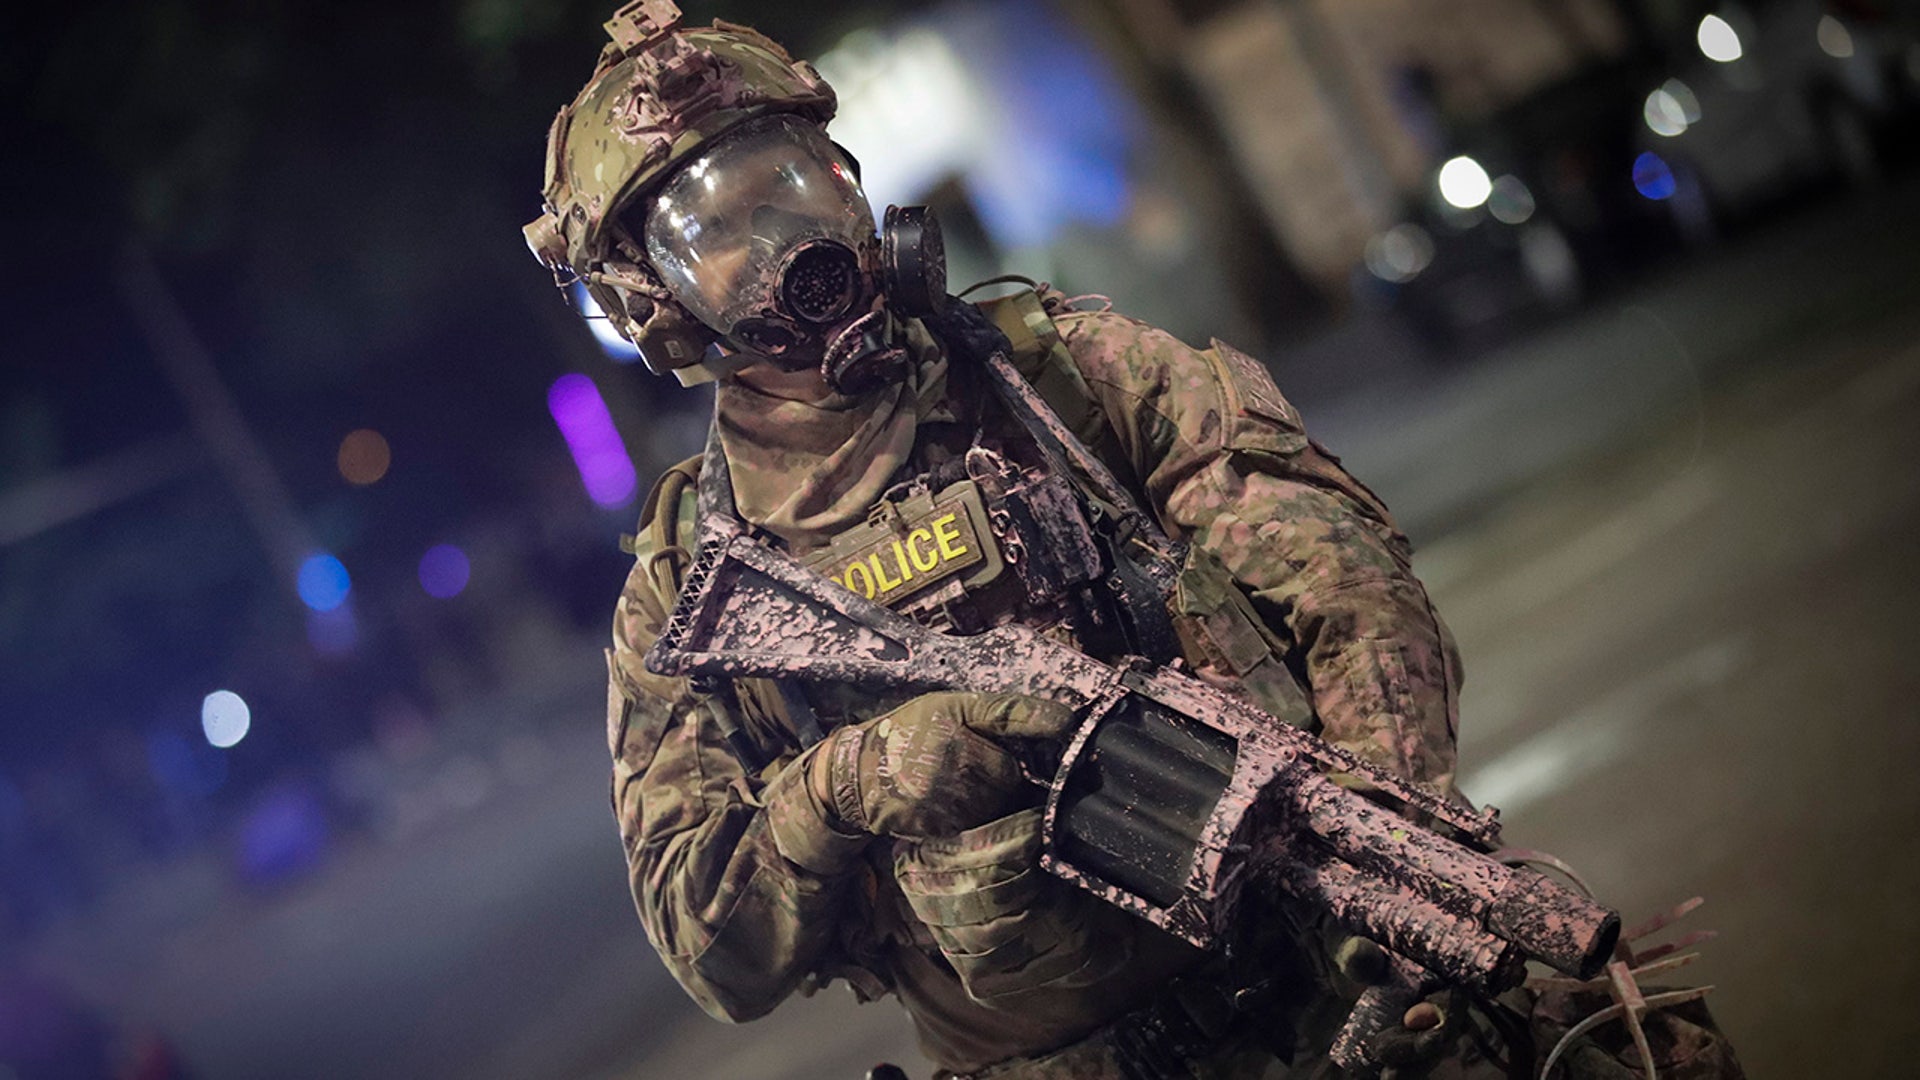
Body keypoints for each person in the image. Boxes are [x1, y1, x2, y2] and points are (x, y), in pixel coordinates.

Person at [524, 5, 1737, 1078]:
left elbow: (1341, 575)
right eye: (720, 227)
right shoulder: (692, 586)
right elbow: (708, 945)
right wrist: (855, 781)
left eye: (791, 181)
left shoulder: (1063, 373)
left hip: (1328, 983)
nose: (790, 238)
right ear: (654, 302)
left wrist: (1388, 828)